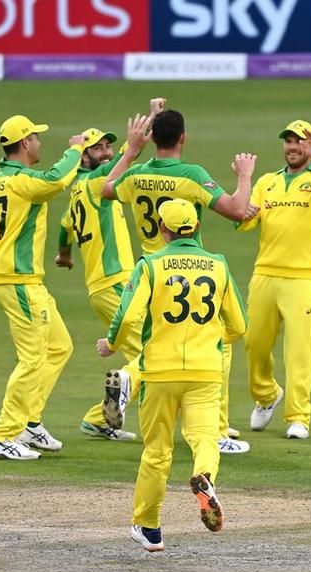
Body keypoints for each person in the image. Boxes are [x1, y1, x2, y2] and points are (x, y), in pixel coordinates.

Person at [101, 104, 256, 454]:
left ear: (153, 136)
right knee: (219, 343)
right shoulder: (190, 174)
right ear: (184, 137)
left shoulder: (138, 173)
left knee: (158, 345)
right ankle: (214, 431)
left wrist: (131, 150)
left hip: (150, 270)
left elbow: (108, 189)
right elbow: (234, 209)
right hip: (188, 268)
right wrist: (245, 177)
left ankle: (130, 377)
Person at [96, 198, 247, 552]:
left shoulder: (151, 264)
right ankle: (205, 477)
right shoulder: (219, 265)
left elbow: (128, 315)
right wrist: (211, 340)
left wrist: (111, 344)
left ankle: (149, 528)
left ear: (163, 230)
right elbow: (239, 326)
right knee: (205, 437)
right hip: (206, 371)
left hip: (160, 373)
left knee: (157, 451)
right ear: (195, 227)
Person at [0, 115, 87, 459]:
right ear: (25, 142)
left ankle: (29, 422)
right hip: (18, 281)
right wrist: (75, 149)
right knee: (32, 359)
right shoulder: (21, 181)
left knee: (59, 346)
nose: (40, 143)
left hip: (21, 280)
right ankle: (2, 435)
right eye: (36, 138)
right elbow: (56, 180)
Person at [237, 119, 311, 440]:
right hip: (265, 273)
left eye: (299, 141)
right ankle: (266, 395)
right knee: (254, 344)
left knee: (298, 350)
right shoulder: (267, 182)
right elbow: (245, 221)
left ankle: (298, 415)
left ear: (310, 144)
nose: (292, 146)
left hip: (303, 277)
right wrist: (245, 213)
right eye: (288, 141)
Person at [55, 107, 155, 442]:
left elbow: (64, 227)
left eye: (108, 147)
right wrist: (135, 146)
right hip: (115, 284)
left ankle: (98, 420)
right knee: (153, 353)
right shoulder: (96, 182)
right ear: (83, 157)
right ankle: (120, 394)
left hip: (105, 286)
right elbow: (117, 168)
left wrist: (64, 255)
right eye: (98, 148)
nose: (107, 152)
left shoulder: (76, 193)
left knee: (151, 351)